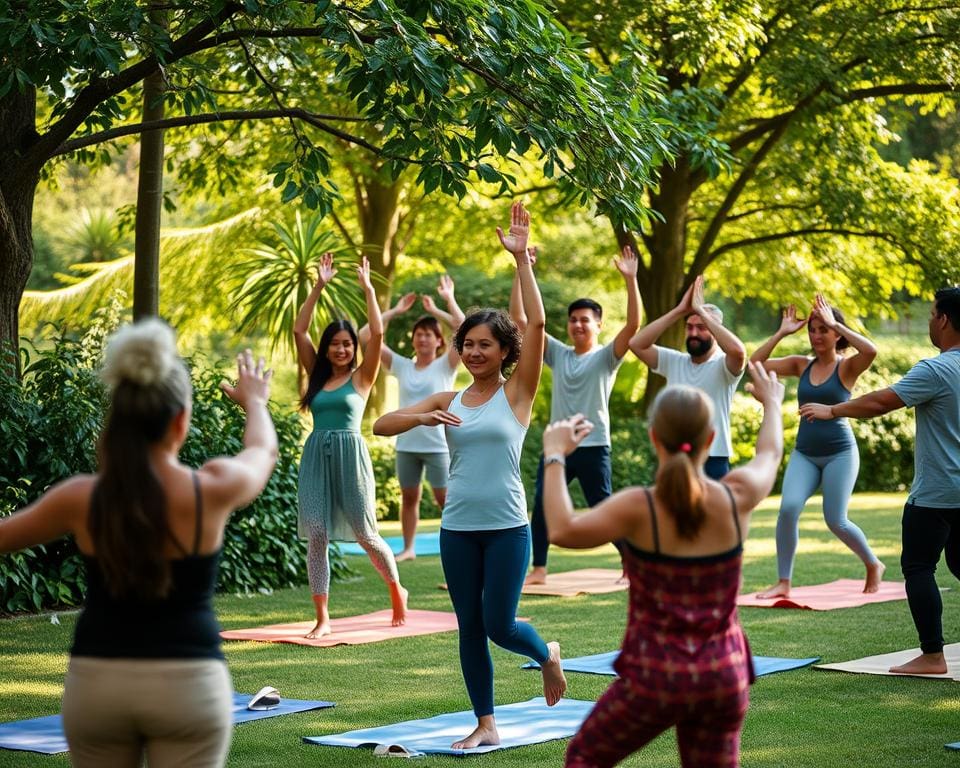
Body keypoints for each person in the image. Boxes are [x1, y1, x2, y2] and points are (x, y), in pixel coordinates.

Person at [0, 319, 277, 768]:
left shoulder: (83, 497)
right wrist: (256, 402)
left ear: (118, 421)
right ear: (180, 420)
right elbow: (262, 452)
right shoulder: (211, 488)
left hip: (98, 685)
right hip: (188, 685)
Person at [374, 202, 566, 750]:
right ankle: (485, 723)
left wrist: (521, 261)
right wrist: (420, 414)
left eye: (485, 344)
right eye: (469, 344)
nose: (474, 351)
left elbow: (538, 322)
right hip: (457, 528)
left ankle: (545, 654)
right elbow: (385, 425)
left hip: (508, 527)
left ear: (505, 352)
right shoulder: (450, 397)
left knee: (500, 625)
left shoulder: (518, 394)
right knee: (468, 628)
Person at [541, 363, 785, 768]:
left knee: (585, 757)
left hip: (656, 677)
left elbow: (563, 529)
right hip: (723, 675)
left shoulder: (640, 506)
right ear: (710, 438)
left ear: (654, 437)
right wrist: (772, 404)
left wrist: (554, 454)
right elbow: (770, 452)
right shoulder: (736, 496)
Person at [800, 286, 960, 675]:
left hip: (936, 494)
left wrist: (832, 409)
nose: (929, 321)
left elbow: (880, 402)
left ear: (942, 319)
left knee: (919, 566)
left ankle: (932, 656)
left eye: (931, 314)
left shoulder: (937, 368)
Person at [510, 245, 641, 585]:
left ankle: (631, 565)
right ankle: (539, 568)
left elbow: (632, 325)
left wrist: (630, 279)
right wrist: (519, 269)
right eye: (573, 320)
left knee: (602, 505)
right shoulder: (559, 354)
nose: (578, 325)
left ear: (598, 324)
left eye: (585, 320)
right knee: (540, 506)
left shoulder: (605, 358)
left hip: (594, 444)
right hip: (558, 446)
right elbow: (521, 322)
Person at [294, 253, 407, 639]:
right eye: (335, 344)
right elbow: (299, 331)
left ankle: (396, 590)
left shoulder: (362, 378)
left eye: (346, 344)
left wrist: (369, 290)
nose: (342, 349)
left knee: (365, 532)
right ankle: (323, 617)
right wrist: (318, 286)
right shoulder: (316, 376)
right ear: (327, 349)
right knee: (317, 533)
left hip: (350, 455)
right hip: (315, 457)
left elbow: (376, 334)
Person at [752, 294, 884, 599]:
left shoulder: (847, 368)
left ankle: (872, 563)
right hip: (805, 454)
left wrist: (834, 321)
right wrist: (783, 332)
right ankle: (783, 582)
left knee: (835, 519)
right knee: (787, 509)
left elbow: (871, 350)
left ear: (836, 333)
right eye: (813, 329)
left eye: (823, 329)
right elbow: (755, 364)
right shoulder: (801, 365)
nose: (816, 335)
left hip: (840, 453)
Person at [359, 275, 465, 561]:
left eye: (429, 333)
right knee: (409, 498)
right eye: (419, 333)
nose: (422, 337)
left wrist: (444, 304)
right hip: (406, 444)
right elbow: (365, 336)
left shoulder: (447, 365)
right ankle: (408, 549)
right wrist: (393, 311)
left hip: (438, 445)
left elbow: (464, 328)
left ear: (439, 341)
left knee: (445, 501)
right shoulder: (401, 366)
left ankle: (459, 545)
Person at [628, 275, 746, 479]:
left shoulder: (723, 366)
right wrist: (679, 311)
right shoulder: (674, 361)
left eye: (702, 327)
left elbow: (738, 351)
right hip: (675, 458)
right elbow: (636, 344)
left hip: (714, 457)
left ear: (716, 331)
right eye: (689, 327)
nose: (693, 333)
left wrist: (701, 310)